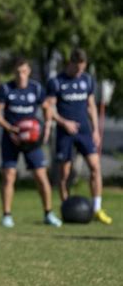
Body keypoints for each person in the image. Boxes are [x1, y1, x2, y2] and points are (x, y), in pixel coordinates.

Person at [0, 57, 62, 228]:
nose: (21, 75)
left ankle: (48, 213)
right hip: (11, 139)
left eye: (24, 71)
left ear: (29, 71)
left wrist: (47, 128)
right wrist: (9, 128)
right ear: (13, 72)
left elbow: (47, 108)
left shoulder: (36, 88)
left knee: (41, 176)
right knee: (9, 176)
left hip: (32, 140)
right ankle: (7, 215)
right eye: (18, 72)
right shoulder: (6, 89)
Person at [46, 48, 112, 224]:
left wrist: (95, 130)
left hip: (84, 132)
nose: (79, 72)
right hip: (65, 133)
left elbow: (91, 105)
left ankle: (97, 208)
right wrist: (63, 122)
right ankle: (66, 208)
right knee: (65, 174)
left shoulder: (87, 80)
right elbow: (49, 108)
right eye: (77, 68)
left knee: (95, 167)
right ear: (70, 63)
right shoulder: (56, 82)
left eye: (82, 68)